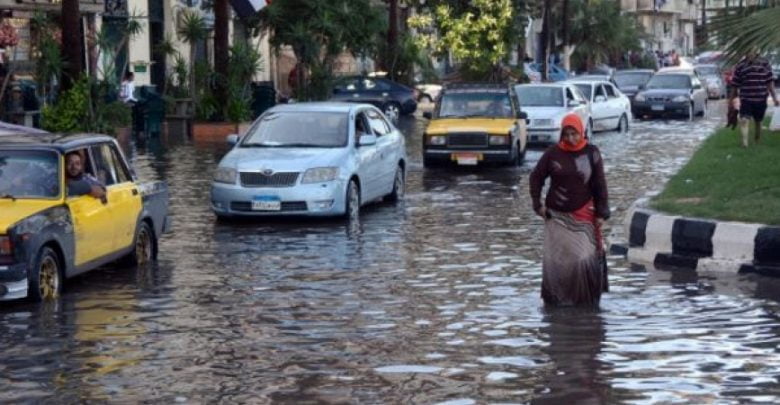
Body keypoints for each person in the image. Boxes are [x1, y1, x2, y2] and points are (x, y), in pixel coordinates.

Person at [529, 113, 609, 307]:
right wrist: (538, 206)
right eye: (567, 134)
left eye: (574, 134)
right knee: (559, 260)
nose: (571, 139)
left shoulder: (592, 153)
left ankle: (585, 301)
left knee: (582, 258)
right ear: (562, 134)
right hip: (556, 217)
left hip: (584, 215)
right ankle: (558, 300)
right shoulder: (552, 153)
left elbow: (599, 184)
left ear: (581, 132)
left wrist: (601, 213)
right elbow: (536, 177)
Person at [730, 49, 779, 147]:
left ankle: (757, 140)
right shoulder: (740, 66)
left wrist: (774, 98)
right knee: (744, 119)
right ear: (746, 53)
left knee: (758, 121)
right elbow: (735, 85)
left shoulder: (765, 64)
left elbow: (770, 82)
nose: (751, 53)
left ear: (757, 52)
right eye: (749, 51)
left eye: (753, 51)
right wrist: (731, 100)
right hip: (746, 98)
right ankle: (745, 143)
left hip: (761, 98)